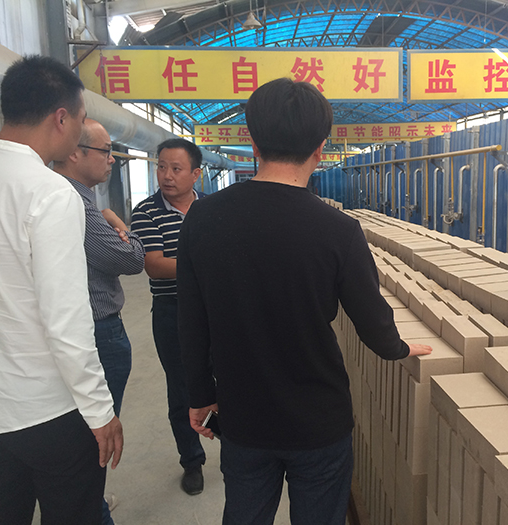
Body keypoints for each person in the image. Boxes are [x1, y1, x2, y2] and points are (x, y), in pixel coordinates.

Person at [177, 77, 433, 525]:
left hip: (244, 415)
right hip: (318, 419)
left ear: (253, 142)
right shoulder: (338, 231)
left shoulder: (203, 218)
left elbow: (191, 319)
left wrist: (199, 394)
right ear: (320, 147)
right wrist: (399, 348)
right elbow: (371, 320)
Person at [0, 56, 123, 525]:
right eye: (83, 119)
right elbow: (65, 320)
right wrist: (100, 410)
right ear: (61, 118)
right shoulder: (50, 192)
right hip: (48, 411)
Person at [54, 119, 145, 524]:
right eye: (106, 151)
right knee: (97, 435)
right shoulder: (78, 205)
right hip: (99, 332)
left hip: (84, 330)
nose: (111, 160)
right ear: (75, 152)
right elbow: (132, 259)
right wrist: (121, 225)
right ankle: (92, 509)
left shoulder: (71, 198)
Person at [130, 138, 207, 495]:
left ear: (196, 174)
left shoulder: (211, 208)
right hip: (172, 311)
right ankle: (192, 460)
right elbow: (156, 265)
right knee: (182, 389)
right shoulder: (146, 212)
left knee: (230, 380)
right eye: (161, 167)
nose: (167, 175)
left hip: (214, 309)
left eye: (176, 169)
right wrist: (208, 265)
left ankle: (236, 449)